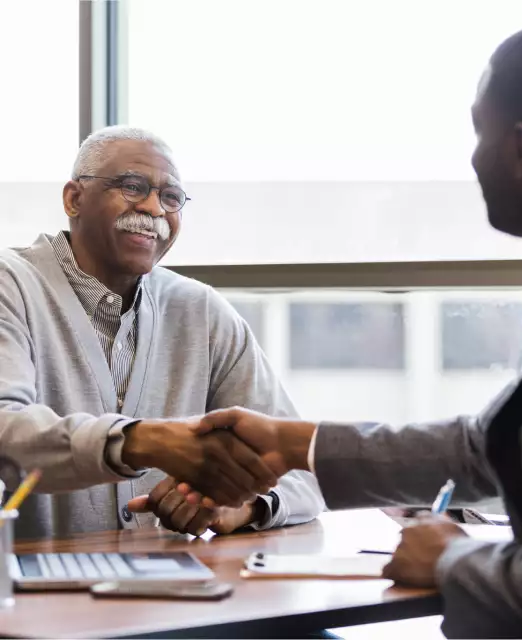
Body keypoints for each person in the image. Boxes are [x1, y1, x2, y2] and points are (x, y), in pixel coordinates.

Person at [183, 18, 522, 638]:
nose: (472, 158)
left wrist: (453, 557)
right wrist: (294, 444)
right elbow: (490, 444)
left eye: (478, 132)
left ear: (520, 147)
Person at [0, 125, 324, 540]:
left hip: (170, 597)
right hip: (31, 596)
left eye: (171, 197)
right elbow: (9, 437)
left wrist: (240, 506)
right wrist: (142, 441)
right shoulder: (11, 286)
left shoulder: (201, 310)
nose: (154, 208)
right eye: (133, 187)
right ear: (74, 198)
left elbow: (300, 470)